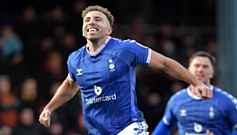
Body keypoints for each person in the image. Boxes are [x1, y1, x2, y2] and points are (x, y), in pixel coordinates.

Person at [39, 5, 212, 135]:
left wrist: (196, 82)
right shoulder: (75, 59)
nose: (91, 22)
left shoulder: (126, 49)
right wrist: (49, 108)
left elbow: (166, 63)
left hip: (128, 127)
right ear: (83, 29)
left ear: (109, 30)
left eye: (98, 19)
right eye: (87, 20)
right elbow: (70, 85)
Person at [152, 51, 237, 135]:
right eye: (197, 66)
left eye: (205, 67)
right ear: (188, 70)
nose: (200, 70)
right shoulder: (176, 100)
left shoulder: (227, 100)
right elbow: (166, 126)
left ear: (212, 73)